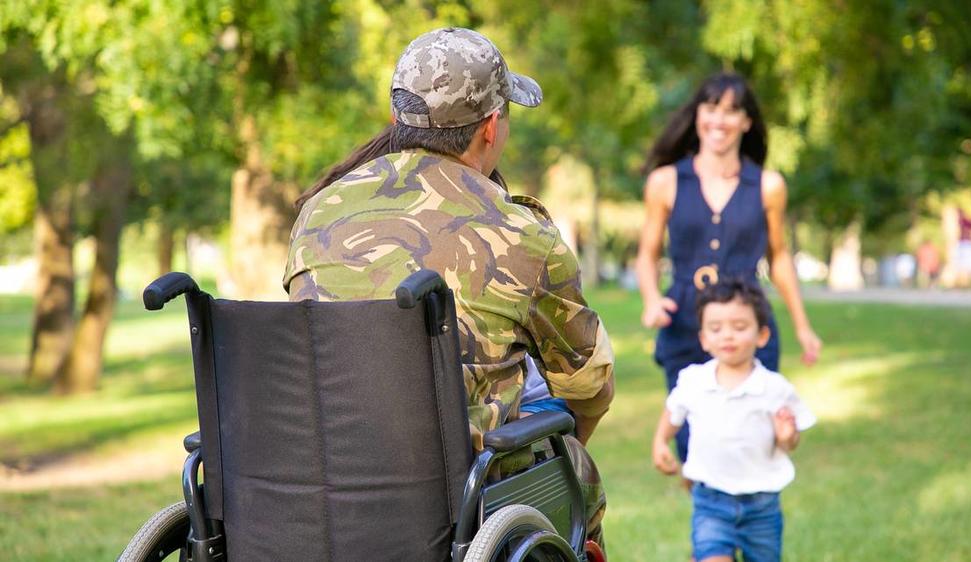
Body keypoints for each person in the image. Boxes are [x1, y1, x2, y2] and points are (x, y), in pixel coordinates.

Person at [284, 27, 613, 539]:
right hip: (453, 493)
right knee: (572, 467)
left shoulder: (318, 212)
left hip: (317, 476)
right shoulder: (521, 234)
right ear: (490, 127)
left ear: (397, 118)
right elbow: (589, 387)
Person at [635, 72, 822, 464]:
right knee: (693, 445)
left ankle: (744, 520)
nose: (719, 120)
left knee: (752, 438)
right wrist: (652, 300)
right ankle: (710, 521)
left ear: (746, 122)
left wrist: (803, 326)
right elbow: (647, 254)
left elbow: (780, 256)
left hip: (747, 321)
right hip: (685, 323)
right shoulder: (665, 181)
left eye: (732, 111)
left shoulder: (769, 186)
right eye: (711, 108)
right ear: (698, 114)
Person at [651, 279, 815, 562]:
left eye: (739, 327)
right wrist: (660, 442)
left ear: (762, 335)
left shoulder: (775, 387)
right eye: (716, 329)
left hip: (761, 505)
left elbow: (790, 440)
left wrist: (788, 434)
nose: (727, 336)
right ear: (703, 338)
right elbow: (673, 410)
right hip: (710, 501)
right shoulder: (694, 380)